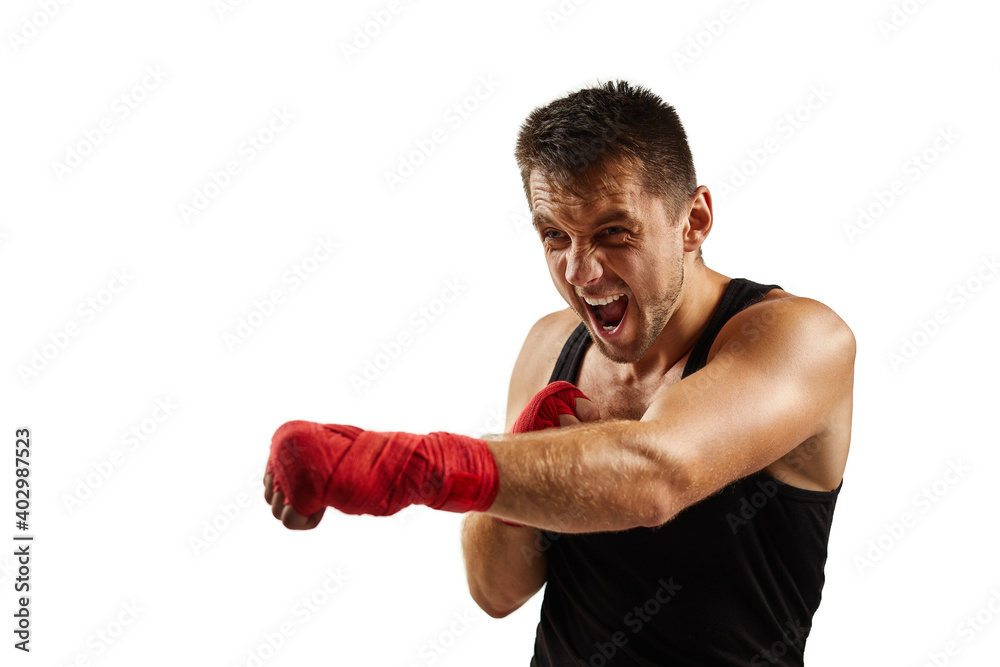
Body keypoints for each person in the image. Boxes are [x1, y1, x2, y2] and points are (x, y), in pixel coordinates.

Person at [263, 80, 855, 666]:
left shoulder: (797, 339)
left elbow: (656, 476)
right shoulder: (550, 345)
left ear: (693, 221)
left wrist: (401, 464)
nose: (581, 271)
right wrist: (527, 446)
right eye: (555, 236)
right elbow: (496, 590)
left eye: (613, 233)